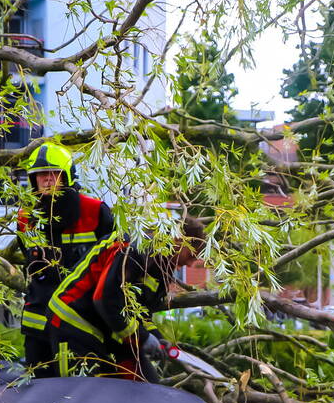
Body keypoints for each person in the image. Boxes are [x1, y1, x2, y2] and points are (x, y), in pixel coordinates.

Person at [47, 217, 205, 382]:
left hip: (109, 327)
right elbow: (105, 299)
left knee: (147, 384)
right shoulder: (132, 249)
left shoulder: (162, 270)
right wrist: (142, 338)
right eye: (191, 254)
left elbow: (141, 313)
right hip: (74, 320)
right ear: (178, 240)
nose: (190, 263)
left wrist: (157, 339)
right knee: (84, 393)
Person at [16, 141, 114, 378]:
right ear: (33, 180)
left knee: (83, 394)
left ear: (66, 176)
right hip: (38, 325)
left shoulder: (96, 212)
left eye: (53, 173)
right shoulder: (25, 218)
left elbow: (114, 267)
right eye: (40, 175)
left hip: (83, 324)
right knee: (39, 396)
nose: (47, 179)